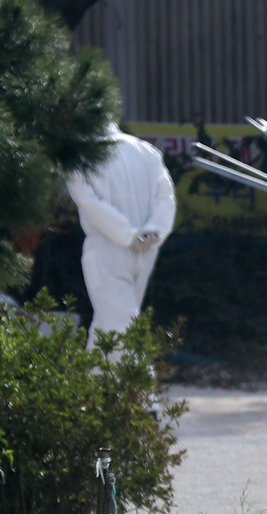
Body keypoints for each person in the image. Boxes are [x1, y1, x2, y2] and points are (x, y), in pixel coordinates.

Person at [66, 124, 175, 353]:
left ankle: (133, 385)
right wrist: (155, 230)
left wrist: (127, 235)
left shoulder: (80, 157)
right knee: (115, 320)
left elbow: (89, 203)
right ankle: (99, 382)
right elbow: (165, 196)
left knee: (117, 322)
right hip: (147, 247)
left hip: (107, 245)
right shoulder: (146, 151)